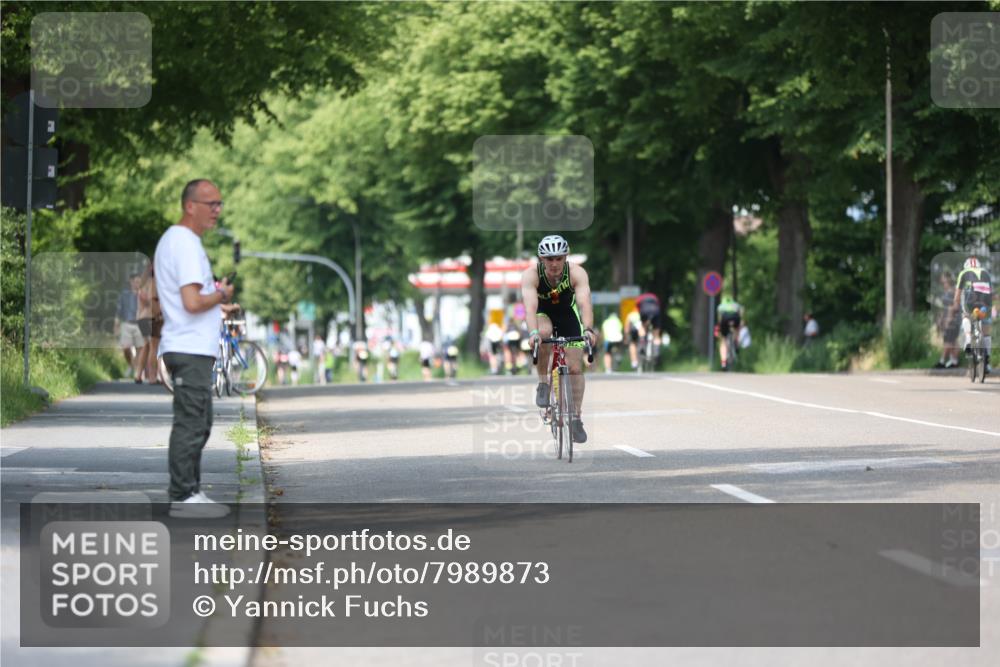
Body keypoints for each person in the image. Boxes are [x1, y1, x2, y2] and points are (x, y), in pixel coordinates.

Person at [155, 179, 233, 518]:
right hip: (189, 348)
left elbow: (191, 299)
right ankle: (183, 496)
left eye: (219, 203)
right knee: (190, 423)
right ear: (190, 206)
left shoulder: (182, 241)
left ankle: (191, 492)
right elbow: (191, 302)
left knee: (200, 422)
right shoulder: (184, 243)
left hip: (192, 346)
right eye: (210, 203)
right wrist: (221, 294)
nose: (217, 210)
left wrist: (216, 303)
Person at [522, 234, 596, 443]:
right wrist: (533, 334)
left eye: (558, 258)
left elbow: (584, 303)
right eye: (549, 259)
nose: (554, 263)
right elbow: (530, 308)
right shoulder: (531, 276)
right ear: (541, 259)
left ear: (566, 257)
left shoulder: (576, 273)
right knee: (544, 333)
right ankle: (543, 384)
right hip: (542, 314)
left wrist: (588, 329)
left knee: (575, 368)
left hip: (567, 315)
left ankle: (576, 417)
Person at [954, 256, 993, 372]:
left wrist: (956, 306)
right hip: (985, 302)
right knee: (986, 332)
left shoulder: (963, 273)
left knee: (966, 316)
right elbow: (991, 292)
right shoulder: (986, 273)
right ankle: (987, 361)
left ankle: (968, 339)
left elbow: (957, 295)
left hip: (970, 302)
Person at [114, 272, 144, 379]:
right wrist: (116, 325)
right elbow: (119, 310)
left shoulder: (144, 295)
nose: (137, 284)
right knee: (126, 348)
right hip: (127, 323)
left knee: (141, 348)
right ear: (131, 282)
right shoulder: (124, 295)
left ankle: (137, 370)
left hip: (140, 324)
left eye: (139, 282)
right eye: (136, 282)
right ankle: (132, 365)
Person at [934, 272, 960, 369]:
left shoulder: (952, 292)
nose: (941, 282)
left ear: (948, 279)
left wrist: (949, 319)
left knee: (948, 341)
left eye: (943, 280)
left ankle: (942, 361)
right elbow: (943, 308)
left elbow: (954, 307)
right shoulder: (946, 292)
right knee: (952, 341)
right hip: (948, 319)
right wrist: (940, 319)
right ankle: (954, 361)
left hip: (953, 320)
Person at [716, 296, 743, 371]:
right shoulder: (735, 305)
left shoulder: (721, 306)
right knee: (737, 330)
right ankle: (736, 343)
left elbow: (719, 318)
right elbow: (741, 311)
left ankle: (723, 363)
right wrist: (740, 321)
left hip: (725, 319)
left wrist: (719, 327)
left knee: (723, 341)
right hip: (735, 318)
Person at [625, 305, 642, 370]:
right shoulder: (642, 313)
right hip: (641, 331)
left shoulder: (631, 314)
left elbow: (627, 326)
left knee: (632, 344)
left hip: (633, 331)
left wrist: (626, 336)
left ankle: (634, 361)